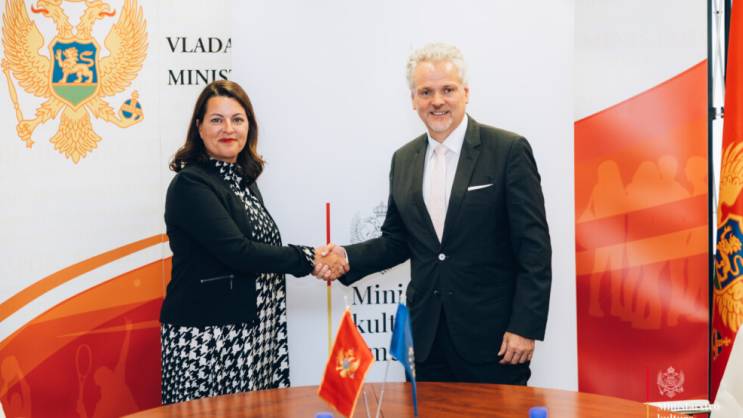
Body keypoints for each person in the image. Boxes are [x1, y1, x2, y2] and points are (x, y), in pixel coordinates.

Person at [320, 43, 551, 385]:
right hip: (425, 342)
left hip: (494, 340)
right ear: (413, 99)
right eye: (426, 92)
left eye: (448, 90)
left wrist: (524, 326)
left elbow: (534, 248)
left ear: (466, 93)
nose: (437, 101)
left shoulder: (508, 150)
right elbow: (397, 240)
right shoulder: (403, 159)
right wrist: (346, 257)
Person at [160, 80, 344, 404]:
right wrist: (309, 257)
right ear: (199, 127)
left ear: (249, 127)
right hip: (211, 339)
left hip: (254, 333)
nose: (228, 129)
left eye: (237, 119)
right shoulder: (190, 185)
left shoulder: (243, 183)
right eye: (216, 120)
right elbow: (238, 252)